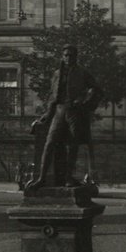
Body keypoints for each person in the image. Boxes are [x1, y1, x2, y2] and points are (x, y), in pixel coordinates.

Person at [28, 45, 102, 189]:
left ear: (76, 57)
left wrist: (84, 101)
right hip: (59, 111)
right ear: (62, 56)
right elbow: (52, 96)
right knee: (49, 143)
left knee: (73, 145)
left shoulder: (82, 73)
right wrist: (46, 115)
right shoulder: (56, 74)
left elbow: (96, 89)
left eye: (72, 55)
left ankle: (68, 177)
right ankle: (42, 178)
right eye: (66, 55)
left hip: (74, 112)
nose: (69, 58)